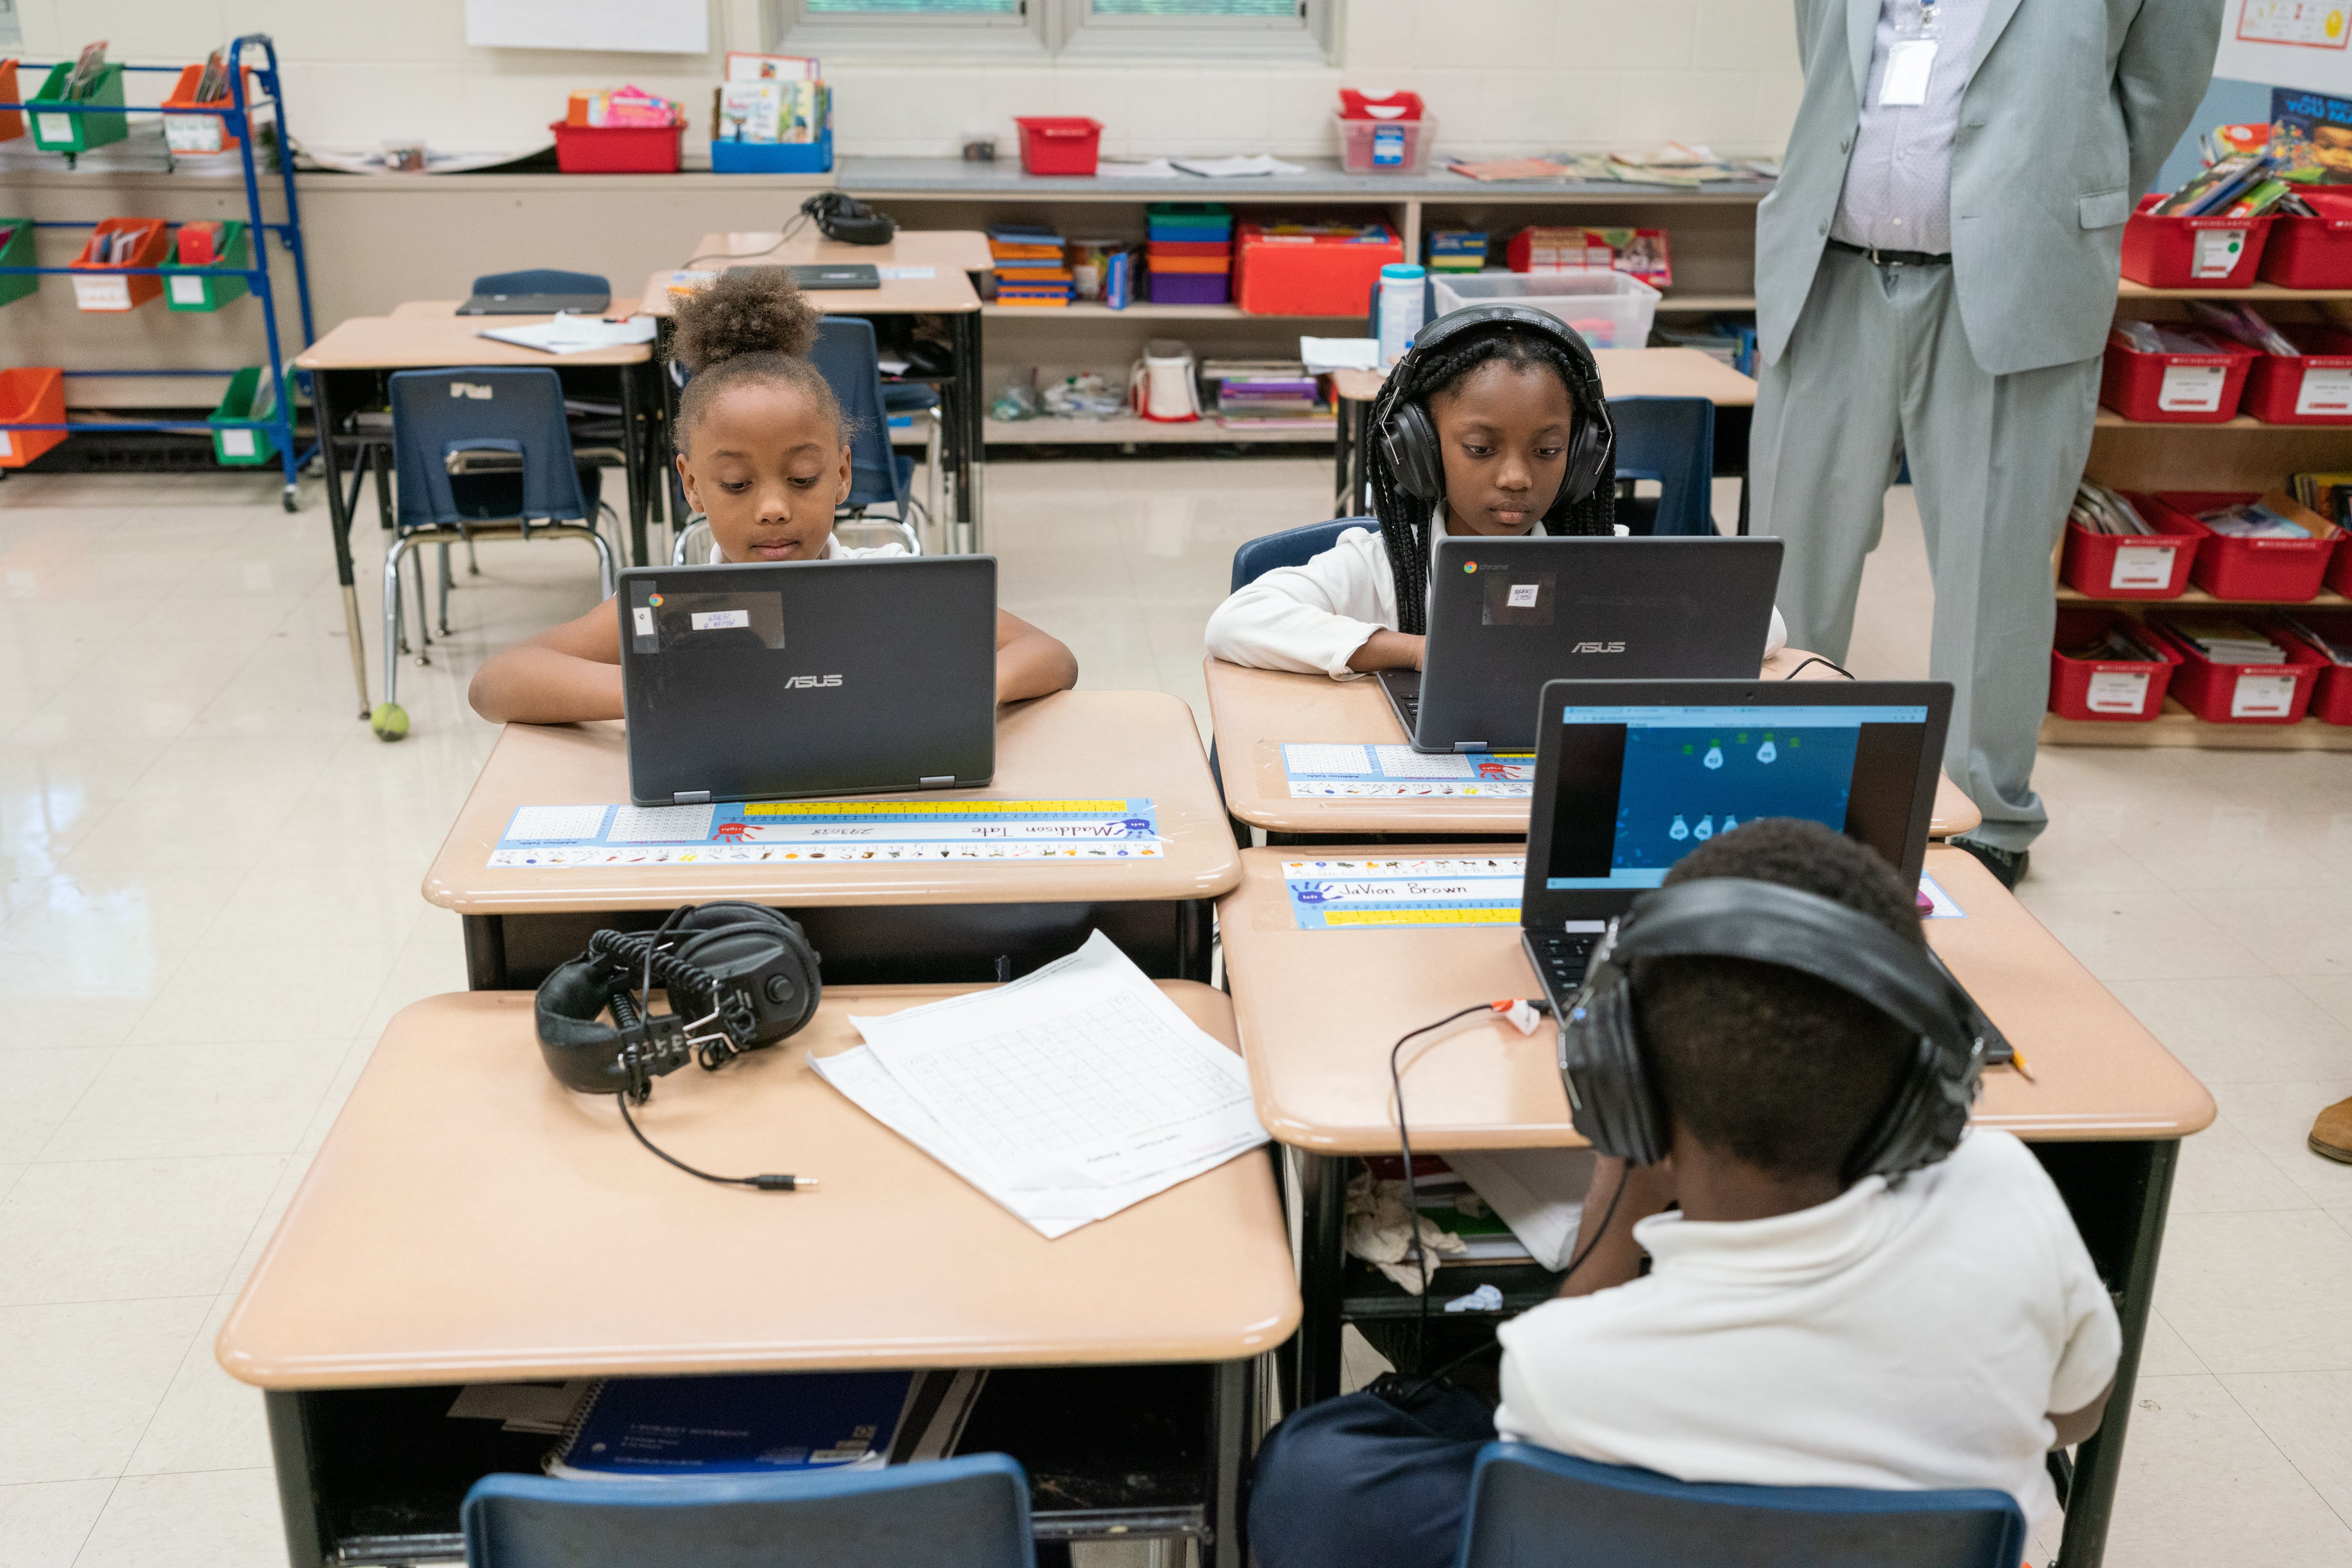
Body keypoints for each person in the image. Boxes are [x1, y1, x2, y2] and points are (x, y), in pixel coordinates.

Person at [1247, 818, 2120, 1568]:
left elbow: (1549, 1415)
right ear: (1930, 1083)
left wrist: (1625, 1176)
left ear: (1620, 1095)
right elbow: (2076, 1414)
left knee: (1320, 1472)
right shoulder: (2009, 1187)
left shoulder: (1572, 1367)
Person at [1748, 0, 2219, 887]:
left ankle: (1985, 815)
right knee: (1789, 553)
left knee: (1994, 567)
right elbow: (1826, 49)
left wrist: (2060, 191)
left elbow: (2161, 85)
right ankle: (1783, 786)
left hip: (2015, 281)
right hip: (1831, 268)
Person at [469, 270, 1075, 724]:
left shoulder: (891, 586)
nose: (773, 508)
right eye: (736, 484)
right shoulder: (670, 608)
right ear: (692, 486)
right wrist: (663, 688)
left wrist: (970, 686)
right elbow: (497, 683)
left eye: (804, 477)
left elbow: (1052, 656)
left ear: (842, 474)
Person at [1203, 308, 1788, 678]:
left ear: (1584, 456)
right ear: (1422, 450)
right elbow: (1236, 622)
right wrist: (1417, 651)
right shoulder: (1382, 564)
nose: (1517, 478)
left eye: (1548, 451)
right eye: (1481, 450)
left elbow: (1764, 625)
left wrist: (1622, 636)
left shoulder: (1604, 557)